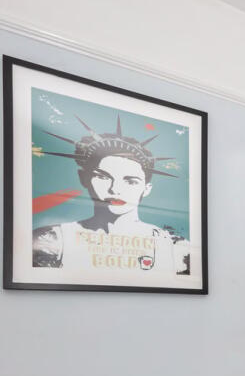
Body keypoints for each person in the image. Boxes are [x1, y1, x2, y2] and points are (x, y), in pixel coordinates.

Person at [33, 115, 189, 274]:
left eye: (131, 181)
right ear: (84, 179)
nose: (115, 189)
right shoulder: (52, 239)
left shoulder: (176, 247)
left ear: (146, 188)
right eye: (103, 177)